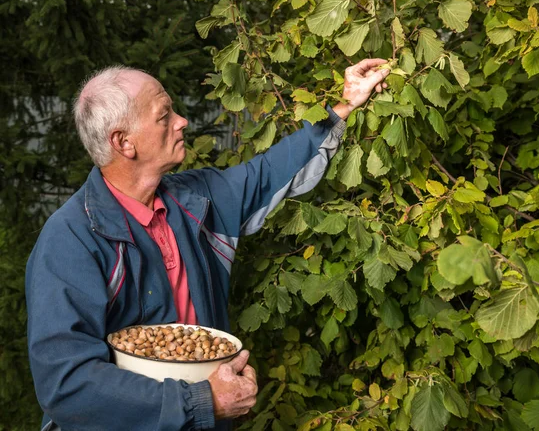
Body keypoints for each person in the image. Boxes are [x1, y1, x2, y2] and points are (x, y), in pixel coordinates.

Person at [25, 58, 390, 430]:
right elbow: (67, 384)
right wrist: (201, 401)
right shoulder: (71, 239)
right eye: (164, 115)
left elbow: (267, 174)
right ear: (124, 142)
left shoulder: (194, 198)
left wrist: (344, 105)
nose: (181, 121)